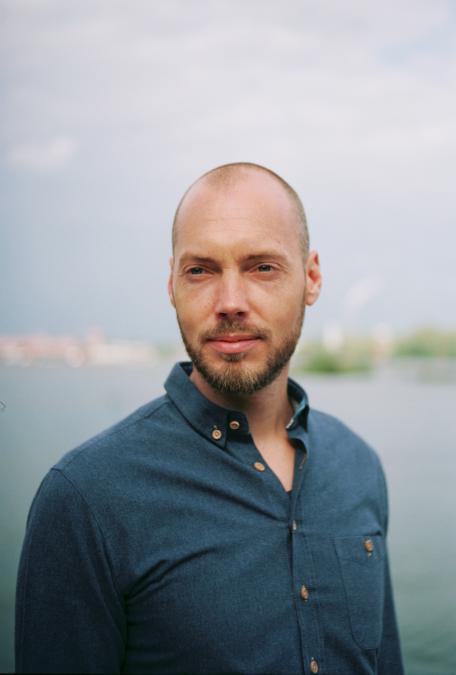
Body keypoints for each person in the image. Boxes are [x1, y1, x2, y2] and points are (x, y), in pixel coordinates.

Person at [15, 162, 404, 675]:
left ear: (311, 278)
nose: (230, 303)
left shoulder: (357, 465)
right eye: (200, 270)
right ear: (172, 284)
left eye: (262, 267)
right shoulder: (86, 499)